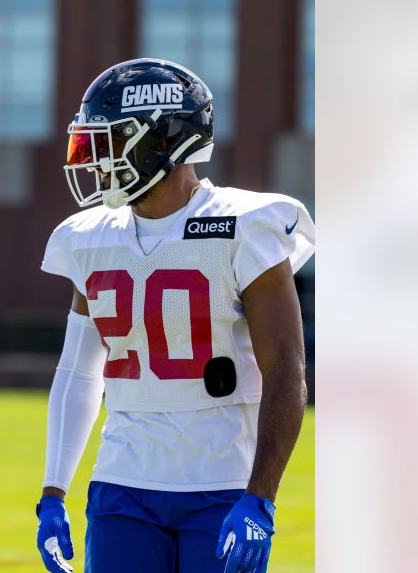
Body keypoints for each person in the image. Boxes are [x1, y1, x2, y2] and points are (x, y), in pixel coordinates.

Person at [35, 59, 315, 573]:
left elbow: (286, 369)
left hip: (221, 485)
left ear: (161, 140)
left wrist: (261, 498)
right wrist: (53, 493)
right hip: (121, 487)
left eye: (111, 142)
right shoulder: (89, 238)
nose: (97, 162)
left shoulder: (244, 224)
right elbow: (79, 370)